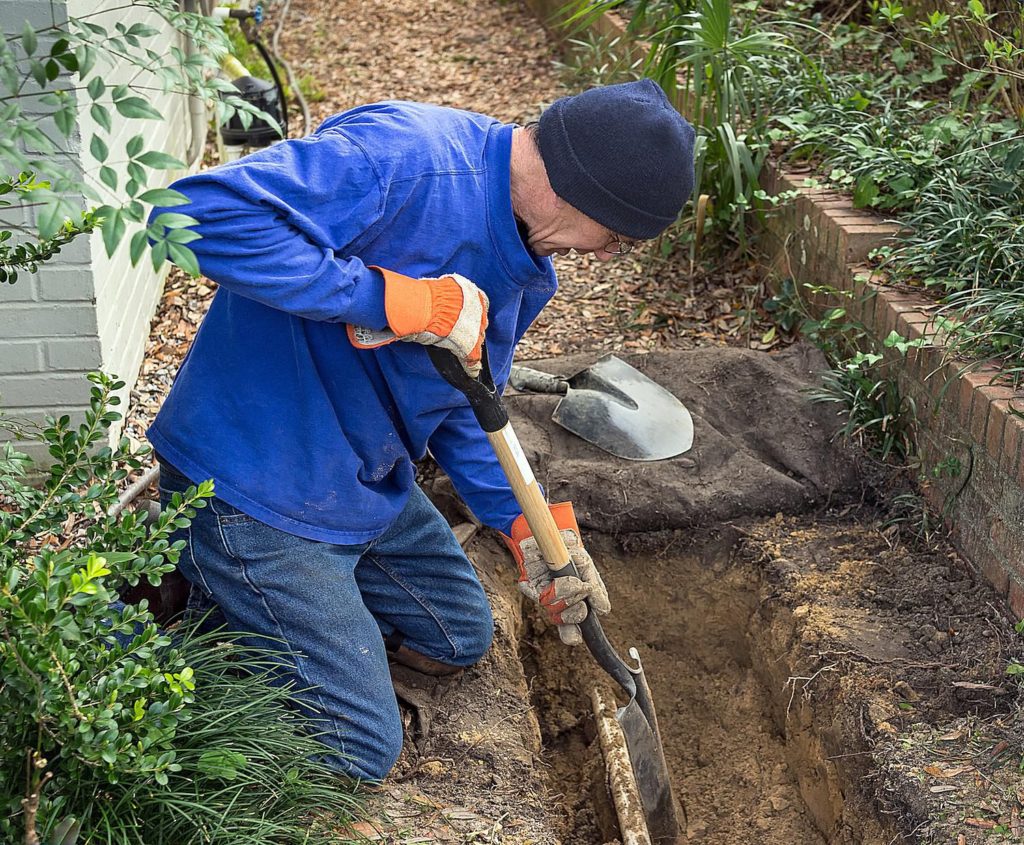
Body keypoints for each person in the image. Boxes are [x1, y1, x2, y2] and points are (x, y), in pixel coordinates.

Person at [149, 79, 695, 781]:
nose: (610, 255)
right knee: (356, 749)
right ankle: (200, 594)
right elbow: (188, 216)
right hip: (254, 477)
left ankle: (281, 610)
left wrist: (533, 531)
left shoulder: (529, 269)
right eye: (617, 236)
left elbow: (468, 403)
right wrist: (388, 297)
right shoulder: (404, 160)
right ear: (580, 190)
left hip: (358, 479)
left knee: (457, 635)